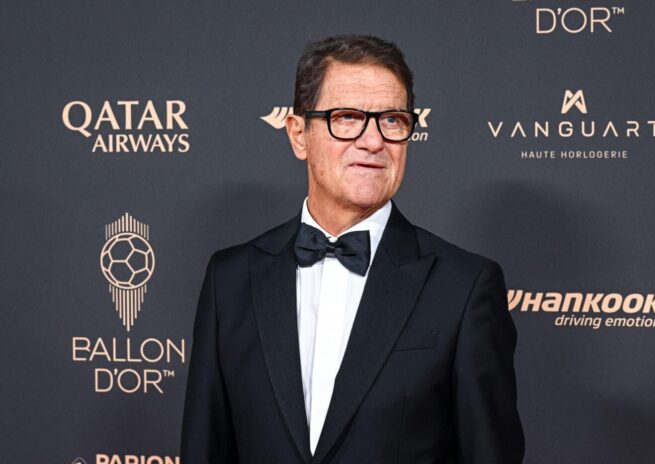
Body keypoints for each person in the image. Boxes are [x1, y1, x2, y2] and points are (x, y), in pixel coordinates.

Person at [181, 34, 524, 463]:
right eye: (347, 118)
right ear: (299, 135)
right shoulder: (231, 279)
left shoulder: (464, 287)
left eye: (392, 120)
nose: (373, 141)